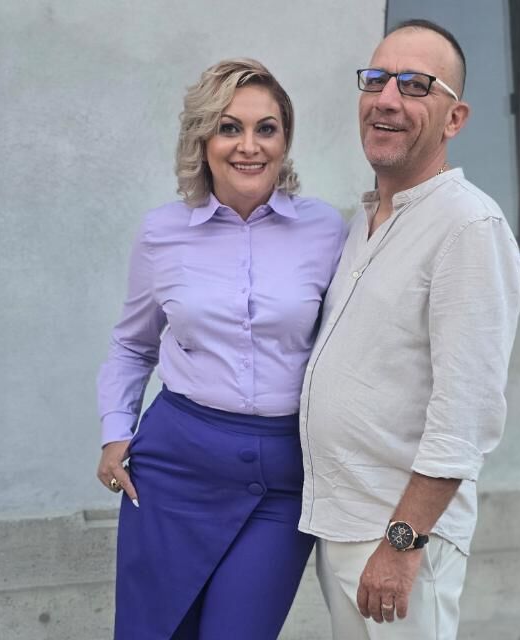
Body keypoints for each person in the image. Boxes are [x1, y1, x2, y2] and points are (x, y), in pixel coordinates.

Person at [96, 58, 347, 640]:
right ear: (202, 140)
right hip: (172, 470)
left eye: (266, 128)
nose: (248, 146)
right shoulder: (162, 232)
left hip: (282, 478)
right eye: (229, 127)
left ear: (285, 140)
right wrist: (114, 432)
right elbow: (132, 344)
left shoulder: (327, 230)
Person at [298, 19, 520, 640]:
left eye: (416, 85)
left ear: (455, 119)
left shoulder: (467, 227)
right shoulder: (366, 220)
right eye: (376, 80)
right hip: (345, 524)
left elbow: (466, 412)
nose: (387, 99)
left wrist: (402, 542)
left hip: (397, 537)